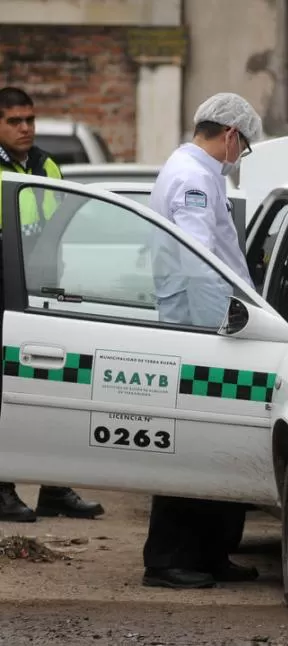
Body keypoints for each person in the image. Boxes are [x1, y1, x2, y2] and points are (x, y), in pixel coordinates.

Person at [141, 92, 262, 589]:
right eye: (245, 146)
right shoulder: (193, 177)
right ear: (231, 135)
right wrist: (227, 329)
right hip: (200, 329)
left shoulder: (197, 172)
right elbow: (200, 265)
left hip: (206, 324)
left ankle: (212, 553)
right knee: (189, 445)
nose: (241, 156)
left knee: (217, 443)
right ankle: (167, 559)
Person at [0, 86, 105, 523]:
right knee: (5, 398)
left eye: (30, 119)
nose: (25, 128)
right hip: (5, 298)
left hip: (42, 294)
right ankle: (3, 488)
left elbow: (59, 227)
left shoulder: (45, 164)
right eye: (14, 121)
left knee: (51, 391)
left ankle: (54, 486)